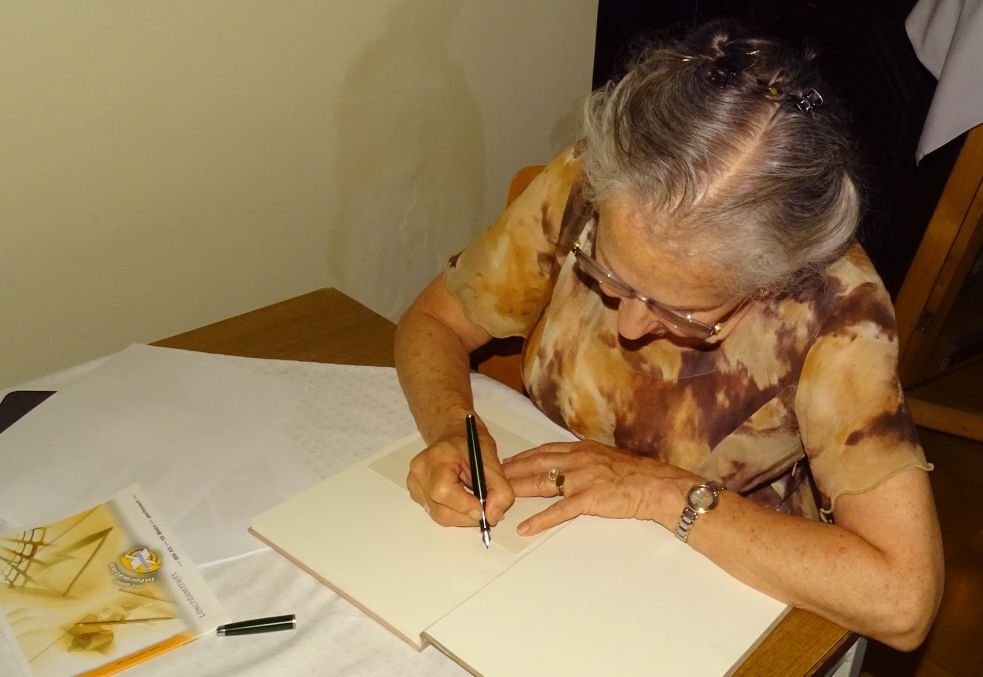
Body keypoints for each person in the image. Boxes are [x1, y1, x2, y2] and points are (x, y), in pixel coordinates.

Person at [394, 20, 943, 651]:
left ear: (773, 282)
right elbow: (436, 320)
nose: (628, 327)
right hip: (542, 558)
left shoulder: (835, 308)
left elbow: (904, 601)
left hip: (718, 587)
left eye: (682, 313)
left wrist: (659, 491)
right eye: (607, 273)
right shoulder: (595, 185)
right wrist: (452, 428)